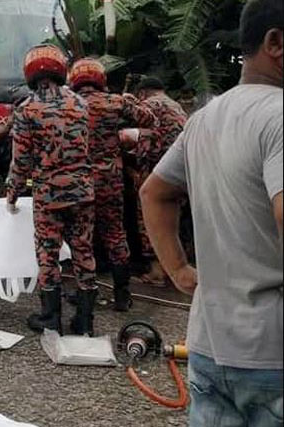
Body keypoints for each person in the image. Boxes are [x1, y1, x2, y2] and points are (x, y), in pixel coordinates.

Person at [141, 0, 283, 424]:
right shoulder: (279, 116)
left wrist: (179, 269)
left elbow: (154, 193)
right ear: (275, 42)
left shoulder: (203, 120)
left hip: (208, 344)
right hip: (272, 355)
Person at [7, 44, 97, 336]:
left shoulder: (27, 110)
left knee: (49, 254)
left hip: (49, 197)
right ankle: (85, 320)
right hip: (83, 192)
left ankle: (50, 318)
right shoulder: (82, 105)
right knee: (84, 251)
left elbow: (21, 161)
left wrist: (12, 194)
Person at [68, 58, 158, 311]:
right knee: (115, 233)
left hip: (80, 182)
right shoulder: (116, 102)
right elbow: (148, 119)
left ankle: (84, 293)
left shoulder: (68, 104)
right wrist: (121, 135)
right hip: (110, 180)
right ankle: (122, 295)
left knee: (82, 237)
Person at [120, 76, 187, 285]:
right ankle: (175, 267)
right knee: (173, 219)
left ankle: (157, 271)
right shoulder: (175, 106)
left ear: (142, 93)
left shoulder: (149, 105)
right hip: (182, 171)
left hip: (159, 171)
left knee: (149, 218)